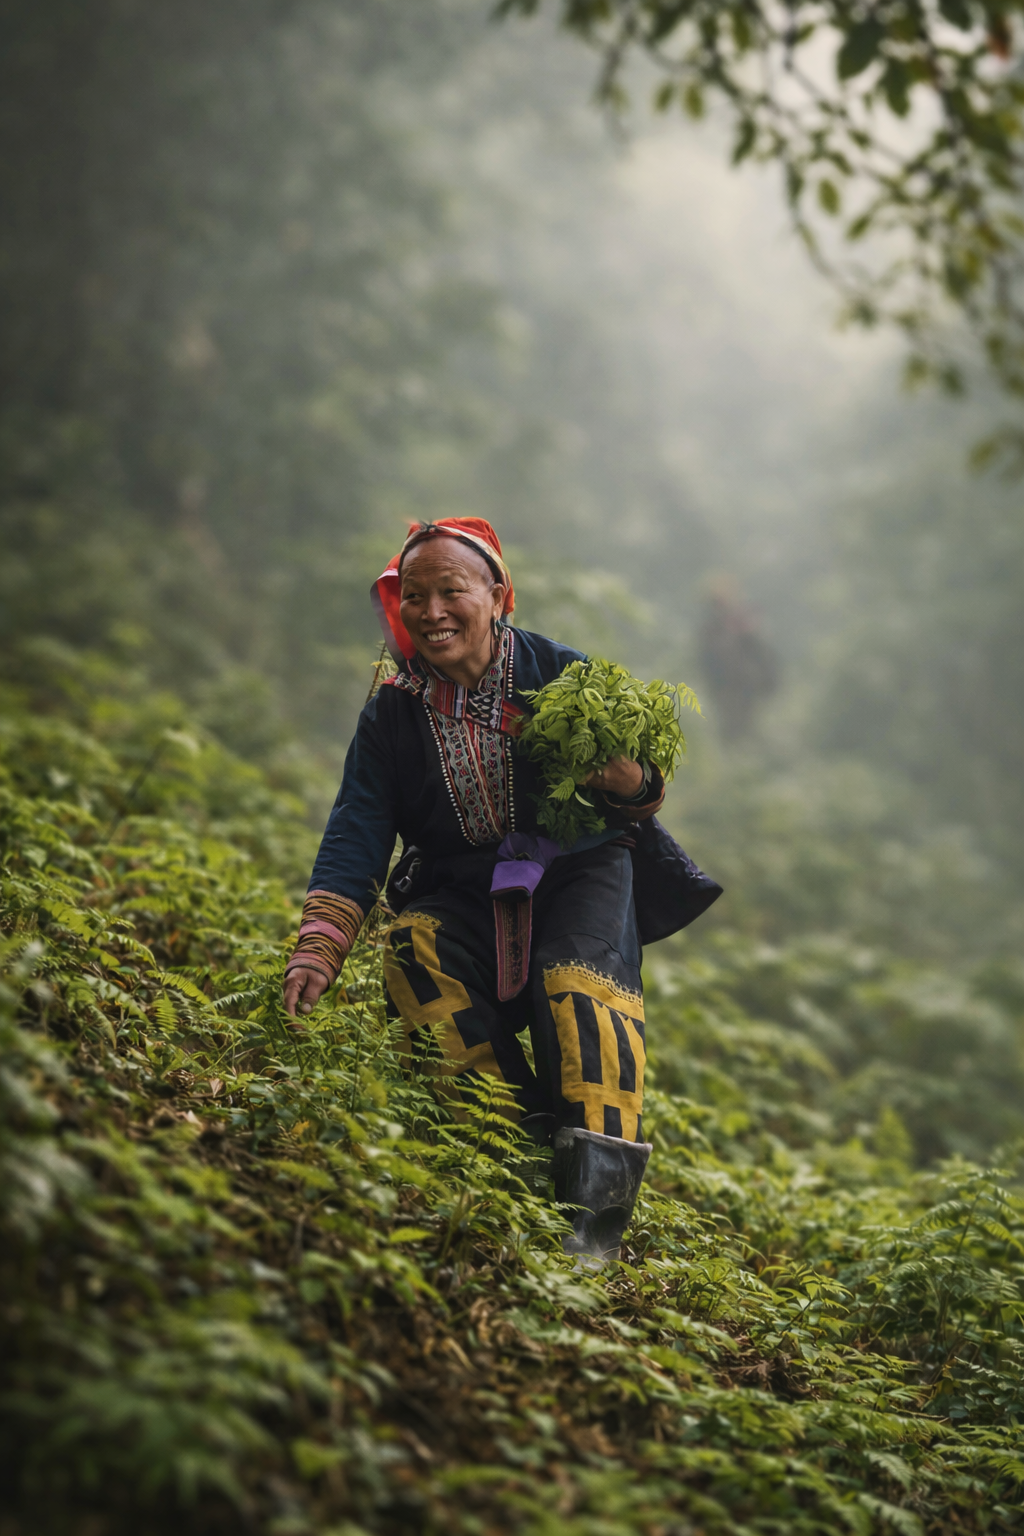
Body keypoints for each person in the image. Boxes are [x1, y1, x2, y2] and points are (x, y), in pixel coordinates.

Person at [283, 518, 721, 1261]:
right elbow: (358, 827)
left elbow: (643, 782)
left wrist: (627, 779)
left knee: (579, 988)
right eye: (413, 595)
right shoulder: (392, 711)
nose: (431, 611)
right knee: (415, 959)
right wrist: (319, 947)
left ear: (497, 595)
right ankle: (511, 1164)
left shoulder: (561, 674)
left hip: (580, 866)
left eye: (451, 591)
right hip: (461, 885)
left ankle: (593, 1225)